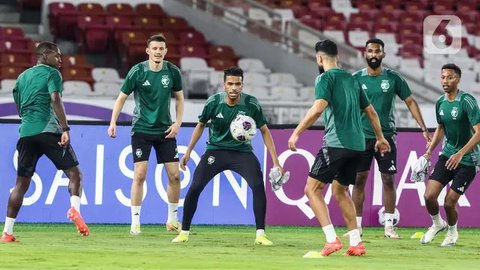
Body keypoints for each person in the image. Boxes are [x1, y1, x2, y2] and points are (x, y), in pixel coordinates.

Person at [287, 40, 390, 256]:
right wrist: (380, 138)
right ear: (338, 57)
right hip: (358, 145)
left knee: (311, 189)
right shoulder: (353, 79)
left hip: (337, 143)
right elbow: (371, 112)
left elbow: (318, 108)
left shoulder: (325, 78)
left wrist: (297, 132)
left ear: (319, 58)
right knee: (340, 190)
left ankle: (331, 240)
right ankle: (356, 243)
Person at [171, 66, 285, 245]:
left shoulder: (251, 104)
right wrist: (189, 152)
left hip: (242, 152)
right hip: (215, 151)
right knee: (195, 187)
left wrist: (276, 162)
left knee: (257, 186)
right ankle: (184, 232)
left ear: (242, 85)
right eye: (230, 84)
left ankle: (261, 235)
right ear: (224, 85)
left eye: (237, 84)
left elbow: (264, 130)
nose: (233, 88)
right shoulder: (213, 102)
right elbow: (200, 125)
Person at [1, 41, 89, 242]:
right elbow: (55, 98)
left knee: (21, 184)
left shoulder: (21, 77)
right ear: (45, 55)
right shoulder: (52, 74)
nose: (60, 60)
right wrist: (65, 128)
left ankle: (7, 232)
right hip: (48, 130)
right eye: (57, 56)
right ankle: (75, 210)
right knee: (75, 174)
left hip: (26, 134)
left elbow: (19, 104)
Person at [351, 38, 431, 238]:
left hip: (386, 137)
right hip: (361, 137)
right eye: (370, 51)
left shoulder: (393, 78)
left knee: (388, 179)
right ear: (365, 54)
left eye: (377, 51)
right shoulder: (355, 79)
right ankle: (357, 226)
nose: (374, 55)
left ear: (383, 54)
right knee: (359, 180)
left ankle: (388, 225)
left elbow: (410, 101)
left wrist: (422, 126)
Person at [108, 34, 184, 235]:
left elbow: (180, 98)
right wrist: (113, 121)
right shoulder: (137, 71)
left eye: (162, 49)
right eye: (155, 48)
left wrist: (177, 122)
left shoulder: (173, 72)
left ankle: (173, 219)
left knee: (175, 176)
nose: (158, 52)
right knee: (140, 175)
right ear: (148, 51)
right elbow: (121, 98)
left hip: (165, 130)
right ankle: (135, 222)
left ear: (166, 51)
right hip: (142, 129)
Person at [419, 63, 480, 246]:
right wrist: (429, 152)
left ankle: (452, 233)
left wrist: (461, 153)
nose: (445, 81)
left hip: (468, 160)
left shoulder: (467, 101)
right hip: (447, 156)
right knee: (429, 196)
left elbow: (479, 132)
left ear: (458, 79)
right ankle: (438, 224)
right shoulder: (440, 102)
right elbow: (441, 128)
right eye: (443, 77)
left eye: (450, 77)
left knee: (449, 202)